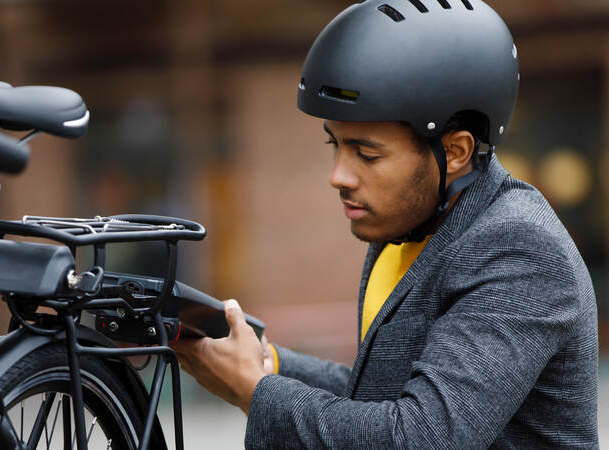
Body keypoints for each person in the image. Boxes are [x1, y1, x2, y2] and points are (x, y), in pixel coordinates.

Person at [172, 0, 599, 448]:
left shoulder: (519, 250)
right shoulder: (411, 225)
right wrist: (269, 365)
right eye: (334, 145)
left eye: (367, 154)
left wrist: (256, 392)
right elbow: (383, 394)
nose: (338, 175)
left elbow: (420, 436)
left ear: (454, 152)